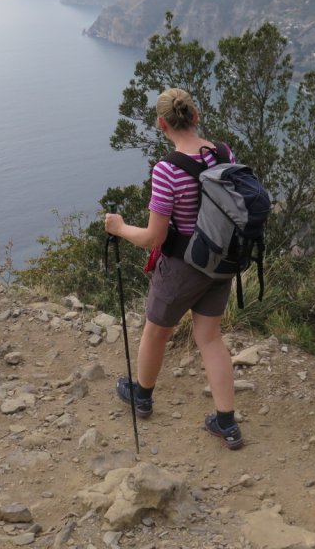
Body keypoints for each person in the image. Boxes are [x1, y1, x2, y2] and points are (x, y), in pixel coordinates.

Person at [104, 88, 243, 450]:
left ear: (161, 124)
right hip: (222, 262)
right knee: (209, 338)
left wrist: (119, 228)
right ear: (195, 116)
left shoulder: (167, 170)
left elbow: (154, 237)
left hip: (183, 266)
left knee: (156, 331)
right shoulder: (224, 153)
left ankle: (142, 395)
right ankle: (226, 423)